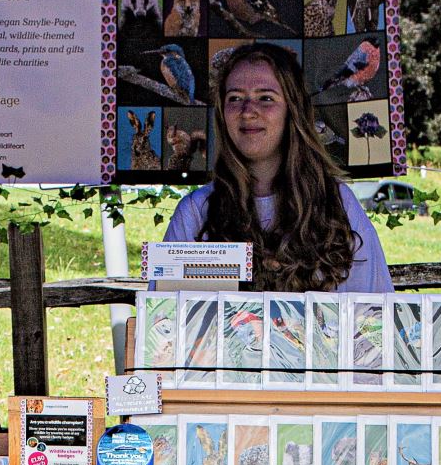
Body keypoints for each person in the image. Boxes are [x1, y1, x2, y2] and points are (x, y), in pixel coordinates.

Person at [164, 42, 392, 294]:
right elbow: (170, 324)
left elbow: (373, 317)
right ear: (222, 114)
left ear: (291, 111)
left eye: (266, 98)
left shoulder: (337, 204)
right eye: (235, 98)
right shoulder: (196, 212)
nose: (248, 111)